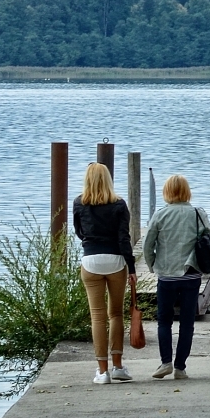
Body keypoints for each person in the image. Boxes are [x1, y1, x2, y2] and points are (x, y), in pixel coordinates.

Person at [142, 174, 210, 380]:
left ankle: (165, 362)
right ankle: (180, 367)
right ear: (186, 191)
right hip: (191, 274)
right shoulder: (197, 213)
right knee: (187, 322)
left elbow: (148, 245)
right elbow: (208, 237)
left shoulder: (160, 215)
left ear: (167, 192)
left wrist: (153, 264)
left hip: (167, 275)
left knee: (164, 321)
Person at [73, 163, 137, 384]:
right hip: (116, 261)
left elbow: (80, 233)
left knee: (97, 317)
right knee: (116, 314)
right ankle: (118, 366)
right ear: (108, 179)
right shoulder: (119, 204)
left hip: (91, 260)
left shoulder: (79, 202)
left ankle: (102, 372)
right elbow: (124, 238)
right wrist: (132, 268)